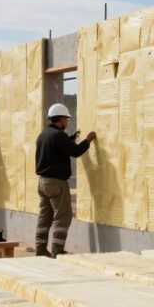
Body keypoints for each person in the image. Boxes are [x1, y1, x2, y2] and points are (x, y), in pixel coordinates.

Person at [35, 103, 95, 257]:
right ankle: (57, 250)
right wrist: (88, 140)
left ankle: (40, 250)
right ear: (61, 119)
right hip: (56, 183)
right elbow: (75, 151)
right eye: (66, 120)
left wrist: (72, 138)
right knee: (63, 216)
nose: (67, 123)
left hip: (43, 183)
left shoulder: (43, 135)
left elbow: (57, 147)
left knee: (44, 218)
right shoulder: (58, 135)